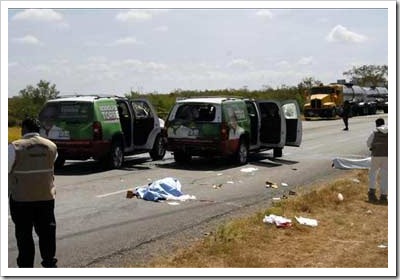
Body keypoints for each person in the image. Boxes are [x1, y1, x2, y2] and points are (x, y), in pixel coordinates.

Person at [8, 117, 58, 267]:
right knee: (47, 233)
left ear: (23, 129)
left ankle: (26, 267)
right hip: (46, 198)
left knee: (24, 235)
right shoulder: (51, 146)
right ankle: (49, 263)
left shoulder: (15, 147)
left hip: (22, 199)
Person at [366, 118, 388, 204]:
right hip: (387, 156)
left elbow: (368, 143)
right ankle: (383, 196)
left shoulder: (374, 132)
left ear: (376, 124)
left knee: (373, 173)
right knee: (385, 176)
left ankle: (372, 192)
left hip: (376, 155)